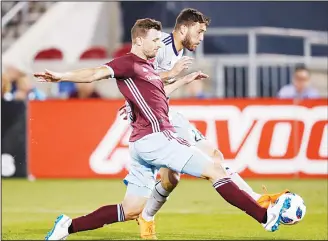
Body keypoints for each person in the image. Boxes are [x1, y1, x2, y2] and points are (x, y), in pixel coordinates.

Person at [35, 18, 289, 240]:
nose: (159, 45)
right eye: (155, 40)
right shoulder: (129, 63)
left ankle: (67, 226)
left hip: (142, 143)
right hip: (157, 138)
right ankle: (264, 216)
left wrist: (182, 78)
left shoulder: (148, 68)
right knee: (214, 167)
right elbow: (95, 73)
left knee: (131, 209)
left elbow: (158, 95)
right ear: (138, 40)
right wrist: (61, 76)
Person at [120, 8, 288, 239]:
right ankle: (257, 200)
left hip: (167, 114)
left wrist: (180, 77)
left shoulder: (176, 51)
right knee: (207, 162)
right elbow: (136, 73)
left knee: (174, 178)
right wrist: (135, 100)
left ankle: (146, 218)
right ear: (183, 28)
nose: (201, 38)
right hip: (155, 121)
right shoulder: (160, 46)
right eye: (199, 32)